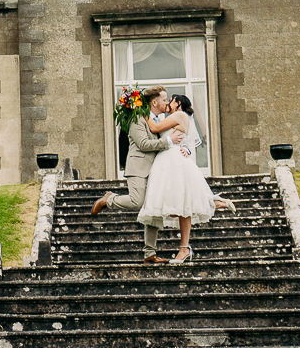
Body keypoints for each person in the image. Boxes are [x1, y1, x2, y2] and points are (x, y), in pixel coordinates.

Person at [138, 92, 234, 263]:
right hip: (166, 161)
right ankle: (213, 202)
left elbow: (154, 128)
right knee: (176, 206)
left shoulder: (180, 115)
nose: (168, 103)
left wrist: (140, 108)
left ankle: (186, 245)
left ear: (179, 104)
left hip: (173, 161)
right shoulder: (174, 117)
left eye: (171, 100)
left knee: (180, 206)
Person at [88, 85, 173, 262]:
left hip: (156, 171)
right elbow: (143, 144)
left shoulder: (158, 121)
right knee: (137, 201)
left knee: (154, 211)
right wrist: (168, 142)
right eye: (164, 99)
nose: (166, 102)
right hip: (138, 168)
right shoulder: (137, 120)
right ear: (154, 101)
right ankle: (108, 200)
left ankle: (150, 254)